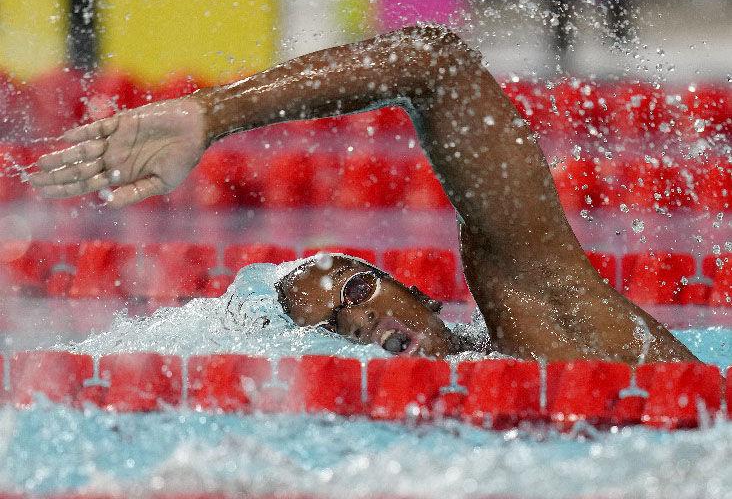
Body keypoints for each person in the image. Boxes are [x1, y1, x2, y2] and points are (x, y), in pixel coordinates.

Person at [29, 23, 696, 363]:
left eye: (356, 293)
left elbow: (436, 62)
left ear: (415, 287)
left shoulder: (548, 324)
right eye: (337, 331)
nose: (365, 324)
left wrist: (211, 115)